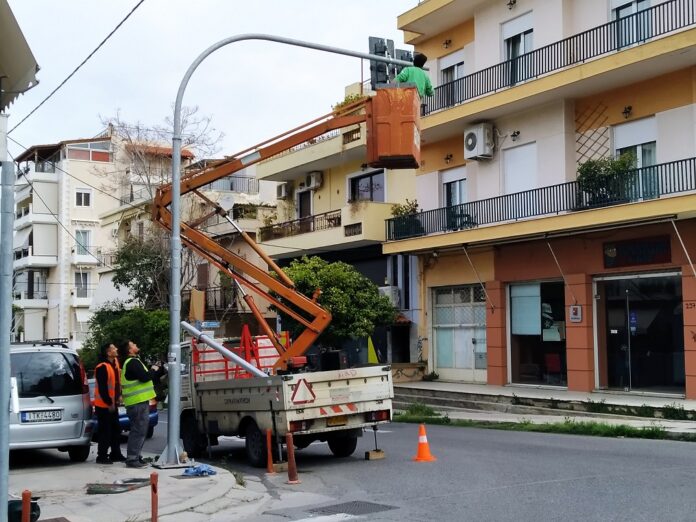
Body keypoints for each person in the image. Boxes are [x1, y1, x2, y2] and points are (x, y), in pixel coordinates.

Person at [120, 339, 158, 468]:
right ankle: (132, 459)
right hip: (137, 402)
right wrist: (153, 369)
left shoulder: (133, 362)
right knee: (138, 430)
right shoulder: (132, 362)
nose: (136, 345)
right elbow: (145, 377)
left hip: (137, 402)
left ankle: (136, 457)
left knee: (140, 430)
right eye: (133, 344)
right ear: (130, 350)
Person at [94, 342, 126, 465]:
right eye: (113, 348)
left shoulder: (115, 363)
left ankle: (115, 454)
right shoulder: (102, 367)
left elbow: (117, 383)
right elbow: (103, 388)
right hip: (103, 405)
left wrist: (119, 396)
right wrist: (109, 402)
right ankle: (101, 456)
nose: (116, 349)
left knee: (116, 429)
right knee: (105, 431)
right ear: (108, 353)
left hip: (113, 403)